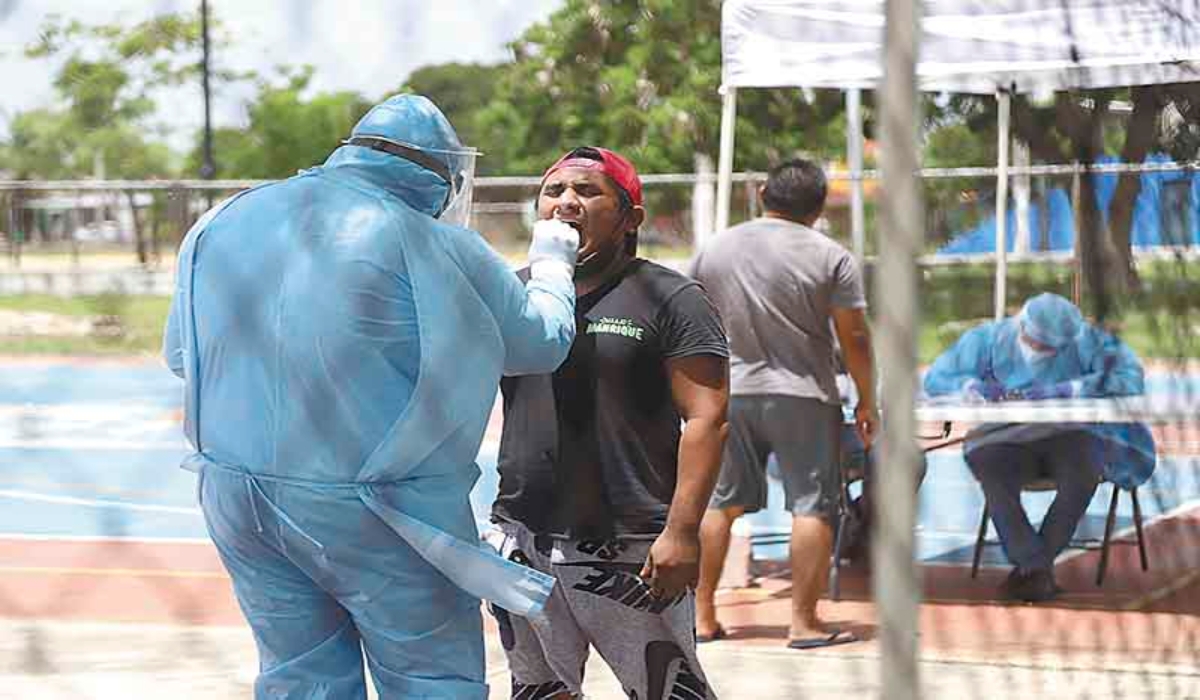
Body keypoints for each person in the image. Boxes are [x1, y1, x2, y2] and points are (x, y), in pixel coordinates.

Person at [163, 94, 582, 699]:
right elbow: (540, 345)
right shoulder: (433, 243)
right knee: (430, 677)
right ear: (441, 174)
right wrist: (552, 266)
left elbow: (182, 356)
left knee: (298, 676)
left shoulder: (225, 218)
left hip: (237, 493)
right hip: (378, 507)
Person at [487, 146, 730, 699]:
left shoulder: (669, 297)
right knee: (537, 689)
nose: (567, 202)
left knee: (668, 691)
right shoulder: (514, 293)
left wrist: (682, 533)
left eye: (588, 191)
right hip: (523, 532)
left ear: (630, 219)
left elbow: (708, 417)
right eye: (554, 191)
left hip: (629, 541)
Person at [690, 158, 878, 650]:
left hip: (729, 392)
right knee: (812, 507)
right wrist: (867, 399)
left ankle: (701, 615)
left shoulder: (717, 247)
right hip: (804, 396)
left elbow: (687, 315)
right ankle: (803, 622)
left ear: (761, 196)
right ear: (817, 208)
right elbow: (854, 336)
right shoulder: (831, 255)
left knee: (719, 503)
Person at [923, 292, 1148, 601]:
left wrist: (1072, 389)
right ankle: (1034, 565)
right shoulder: (985, 339)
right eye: (1039, 343)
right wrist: (969, 388)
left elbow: (1131, 377)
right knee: (990, 467)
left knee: (1084, 472)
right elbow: (937, 378)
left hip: (1070, 434)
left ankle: (1031, 569)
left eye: (1053, 348)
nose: (1044, 351)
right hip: (1000, 437)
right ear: (1022, 327)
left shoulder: (1087, 340)